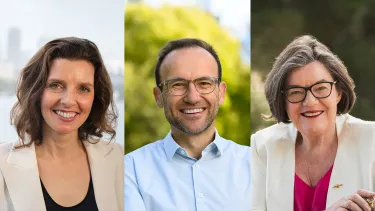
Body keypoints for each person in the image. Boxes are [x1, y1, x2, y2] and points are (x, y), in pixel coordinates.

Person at [251, 35, 375, 211]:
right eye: (295, 92)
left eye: (321, 88)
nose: (310, 102)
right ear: (283, 101)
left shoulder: (372, 143)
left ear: (338, 92)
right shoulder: (262, 148)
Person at [125, 38, 251, 211]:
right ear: (158, 96)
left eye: (204, 83)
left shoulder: (256, 165)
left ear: (221, 93)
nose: (192, 97)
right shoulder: (131, 170)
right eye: (177, 85)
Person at [0, 37, 124, 211]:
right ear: (36, 91)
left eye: (83, 89)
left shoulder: (118, 158)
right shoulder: (2, 165)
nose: (68, 101)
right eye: (56, 85)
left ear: (95, 97)